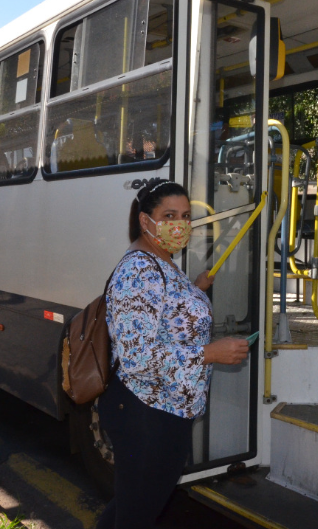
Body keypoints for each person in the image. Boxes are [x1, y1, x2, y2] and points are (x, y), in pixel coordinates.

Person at [95, 178, 250, 529]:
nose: (179, 224)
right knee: (136, 515)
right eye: (168, 215)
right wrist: (209, 353)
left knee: (132, 509)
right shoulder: (139, 270)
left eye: (185, 215)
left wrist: (194, 289)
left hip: (163, 413)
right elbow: (137, 359)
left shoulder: (161, 262)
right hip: (146, 415)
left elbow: (163, 316)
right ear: (145, 221)